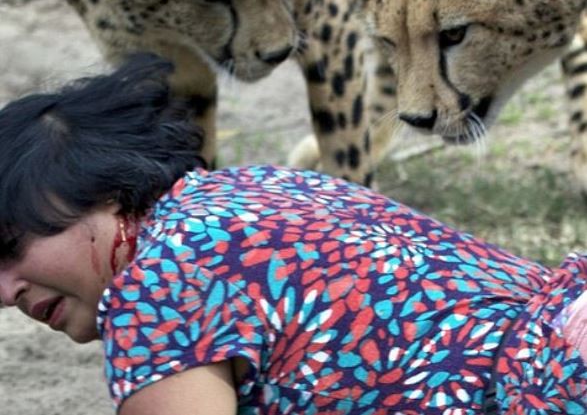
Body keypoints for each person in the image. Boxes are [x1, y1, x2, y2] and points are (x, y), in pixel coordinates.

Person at [0, 54, 585, 415]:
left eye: (10, 248)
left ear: (97, 192)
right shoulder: (260, 186)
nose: (5, 292)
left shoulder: (153, 284)